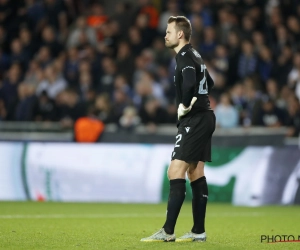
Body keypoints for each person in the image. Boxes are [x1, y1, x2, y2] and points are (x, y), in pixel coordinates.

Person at [141, 16, 215, 242]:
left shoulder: (183, 57)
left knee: (175, 171)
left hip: (194, 120)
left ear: (180, 34)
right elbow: (209, 83)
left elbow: (192, 83)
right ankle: (198, 231)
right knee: (195, 172)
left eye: (169, 31)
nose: (165, 35)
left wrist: (185, 105)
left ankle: (168, 232)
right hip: (205, 117)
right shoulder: (196, 55)